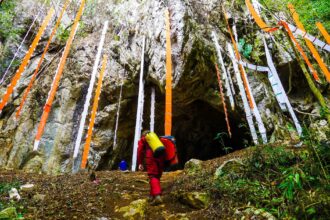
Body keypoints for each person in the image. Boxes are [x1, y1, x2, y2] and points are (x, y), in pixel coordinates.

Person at [137, 130, 166, 205]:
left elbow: (140, 150)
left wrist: (140, 162)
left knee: (152, 176)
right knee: (157, 176)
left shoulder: (143, 139)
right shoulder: (157, 139)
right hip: (161, 157)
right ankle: (152, 196)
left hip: (151, 157)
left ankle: (157, 196)